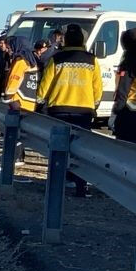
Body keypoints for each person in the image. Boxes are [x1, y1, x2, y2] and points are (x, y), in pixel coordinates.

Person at [38, 24, 102, 195]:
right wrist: (94, 105)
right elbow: (98, 88)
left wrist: (39, 103)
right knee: (81, 151)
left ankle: (57, 185)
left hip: (58, 109)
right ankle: (81, 186)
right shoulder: (92, 60)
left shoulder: (57, 59)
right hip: (84, 110)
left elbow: (45, 85)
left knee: (58, 150)